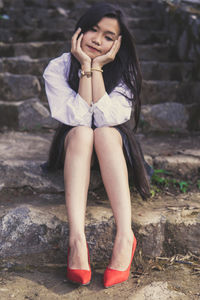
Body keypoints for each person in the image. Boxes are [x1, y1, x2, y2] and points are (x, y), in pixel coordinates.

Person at [42, 2, 152, 288]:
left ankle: (125, 236)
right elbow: (77, 116)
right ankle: (76, 241)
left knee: (102, 132)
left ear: (118, 43)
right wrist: (85, 67)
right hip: (75, 146)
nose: (97, 40)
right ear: (80, 29)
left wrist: (97, 68)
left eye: (108, 37)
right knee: (82, 131)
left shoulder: (125, 71)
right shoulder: (58, 67)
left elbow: (110, 118)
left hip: (114, 148)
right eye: (93, 30)